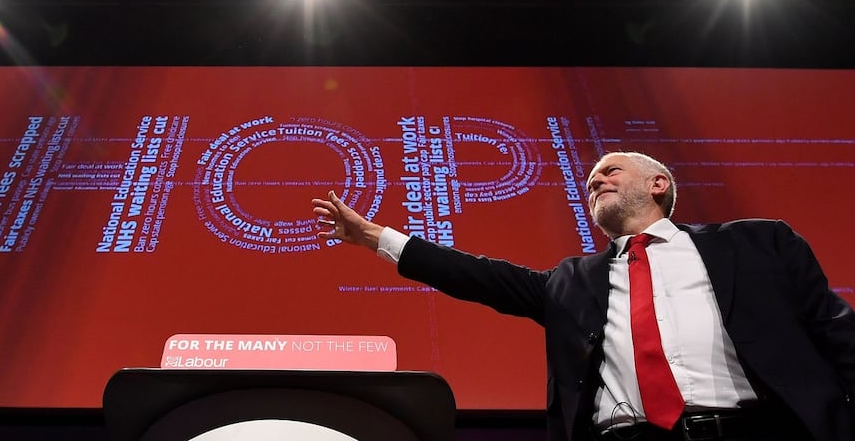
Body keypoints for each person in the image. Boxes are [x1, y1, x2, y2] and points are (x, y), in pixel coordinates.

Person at [312, 151, 855, 441]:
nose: (595, 182)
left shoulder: (759, 242)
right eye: (590, 181)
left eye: (610, 171)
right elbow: (476, 275)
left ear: (658, 183)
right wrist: (374, 237)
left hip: (756, 429)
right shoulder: (570, 280)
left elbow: (834, 330)